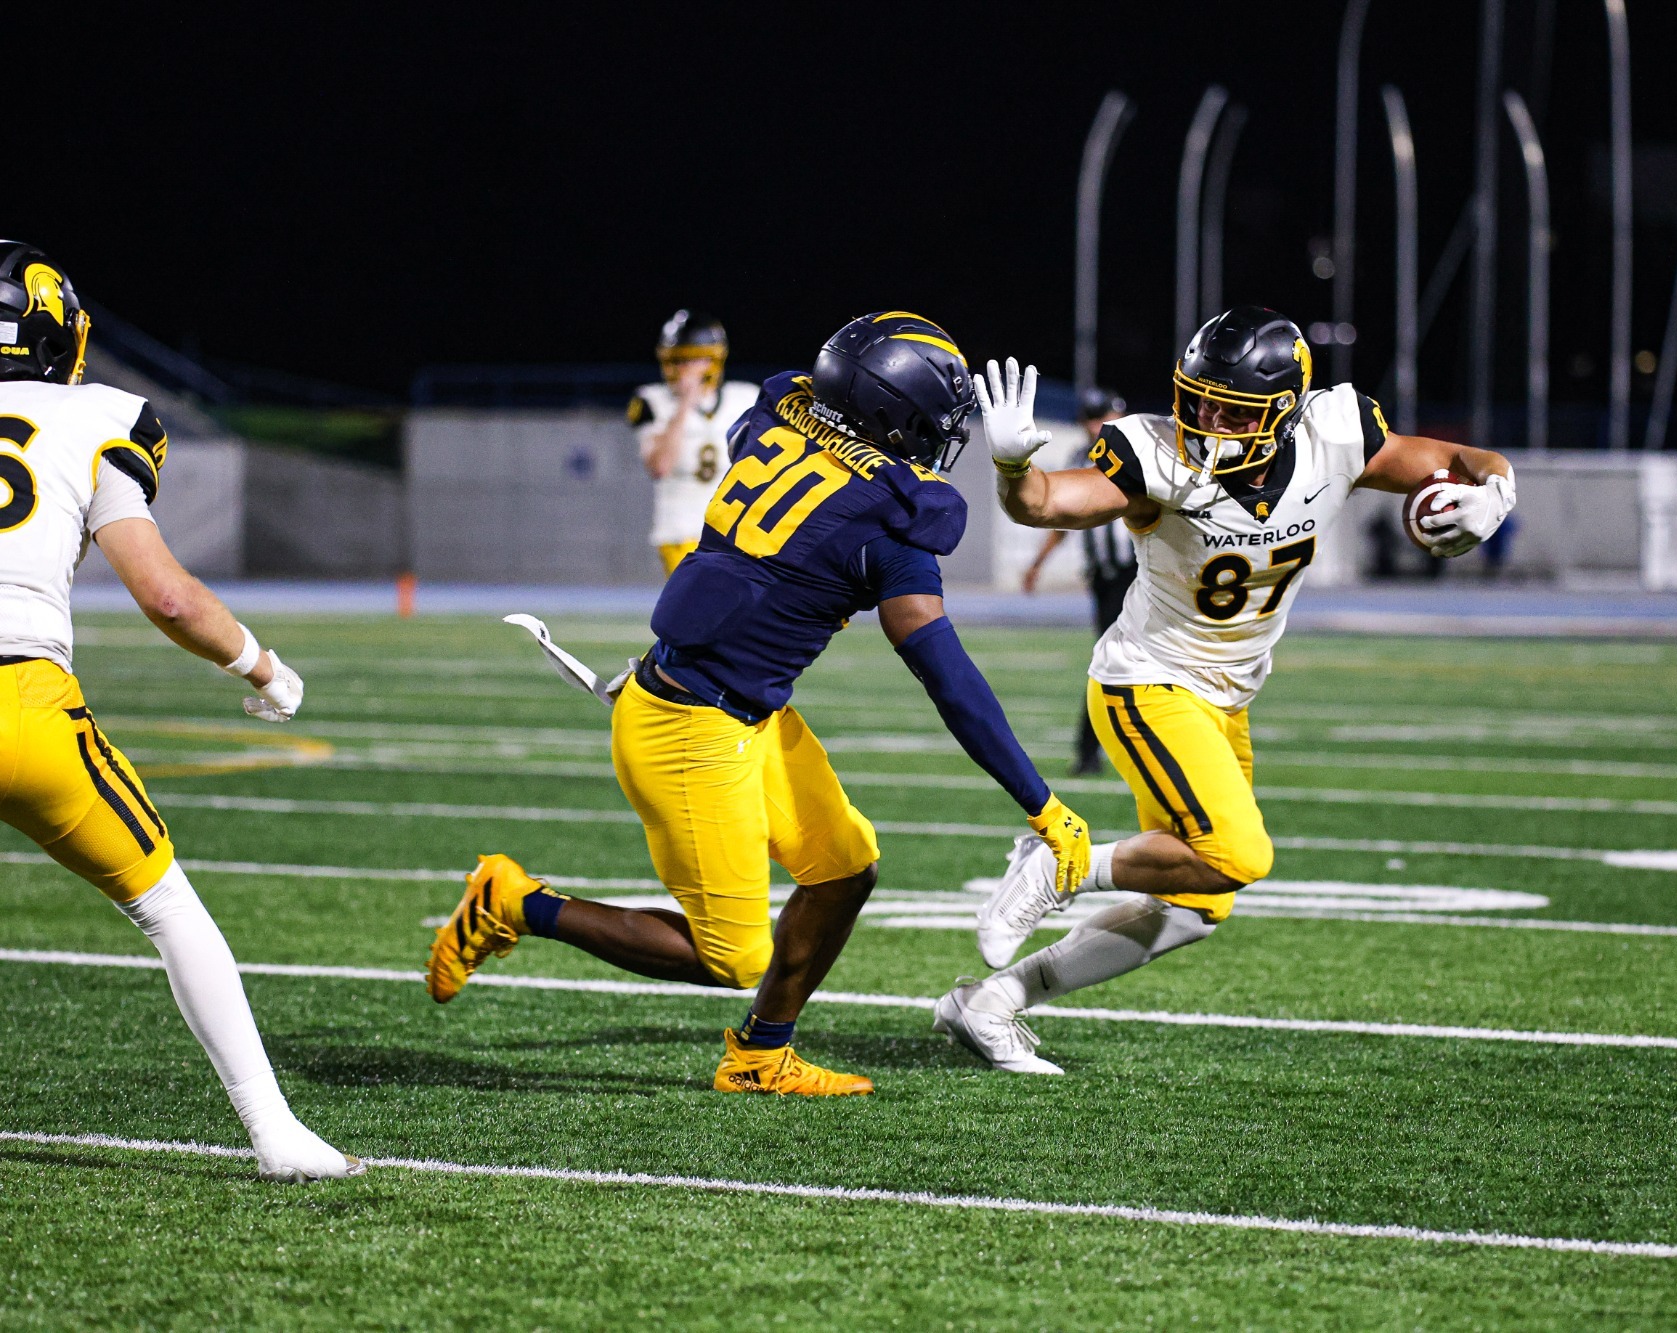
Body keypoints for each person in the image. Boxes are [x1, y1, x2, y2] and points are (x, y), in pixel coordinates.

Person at [428, 312, 1092, 1095]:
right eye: (932, 425)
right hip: (689, 724)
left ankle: (758, 1054)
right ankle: (513, 901)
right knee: (731, 956)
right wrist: (1041, 803)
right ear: (893, 418)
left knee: (845, 867)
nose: (939, 441)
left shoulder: (777, 412)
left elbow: (800, 439)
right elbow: (945, 674)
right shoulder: (893, 522)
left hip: (745, 706)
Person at [934, 306, 1517, 1075]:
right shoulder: (1158, 454)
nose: (1205, 419)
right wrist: (1013, 470)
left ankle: (993, 1001)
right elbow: (1049, 502)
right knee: (1241, 850)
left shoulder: (1335, 434)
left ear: (1282, 413)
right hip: (1149, 681)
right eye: (1197, 397)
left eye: (1229, 408)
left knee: (1197, 906)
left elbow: (1470, 459)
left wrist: (1492, 497)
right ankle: (1058, 862)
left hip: (1227, 698)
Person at [0, 243, 358, 1180]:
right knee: (169, 908)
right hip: (20, 707)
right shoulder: (99, 414)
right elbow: (166, 597)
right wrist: (263, 668)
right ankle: (277, 1136)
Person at [1018, 386, 1133, 774]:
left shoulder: (1140, 451)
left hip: (1142, 572)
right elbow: (1062, 519)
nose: (1100, 425)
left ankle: (1096, 750)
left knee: (1135, 660)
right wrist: (1037, 563)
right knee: (1111, 660)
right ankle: (1090, 751)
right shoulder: (1081, 458)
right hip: (1107, 578)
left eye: (1106, 416)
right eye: (1094, 418)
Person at [627, 311, 759, 579]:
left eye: (693, 359)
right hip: (680, 530)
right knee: (705, 614)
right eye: (678, 360)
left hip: (736, 530)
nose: (684, 369)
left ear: (714, 359)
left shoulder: (745, 397)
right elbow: (660, 466)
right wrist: (685, 405)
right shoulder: (652, 401)